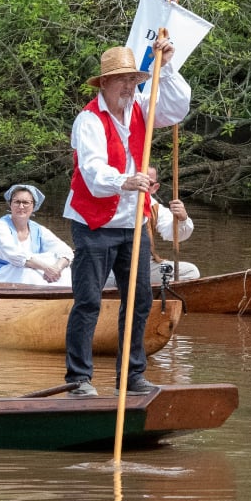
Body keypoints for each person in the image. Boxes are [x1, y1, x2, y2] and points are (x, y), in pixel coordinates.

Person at [62, 38, 191, 397]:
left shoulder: (141, 109)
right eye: (122, 80)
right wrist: (126, 180)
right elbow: (92, 173)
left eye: (134, 80)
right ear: (104, 83)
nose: (129, 87)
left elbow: (178, 108)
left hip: (133, 222)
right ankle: (78, 379)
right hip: (94, 222)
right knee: (88, 300)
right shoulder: (88, 119)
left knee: (139, 300)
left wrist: (166, 66)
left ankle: (131, 375)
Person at [0, 184, 74, 285]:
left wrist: (57, 268)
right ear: (10, 204)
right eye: (17, 202)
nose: (21, 206)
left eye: (25, 202)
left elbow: (66, 251)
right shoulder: (0, 226)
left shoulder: (38, 229)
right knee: (29, 272)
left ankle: (62, 295)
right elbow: (15, 255)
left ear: (33, 206)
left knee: (60, 265)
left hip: (25, 273)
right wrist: (46, 268)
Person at [146, 165, 200, 283]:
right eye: (140, 181)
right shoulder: (113, 199)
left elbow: (174, 235)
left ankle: (155, 294)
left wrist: (182, 219)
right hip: (112, 266)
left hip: (145, 265)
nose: (142, 187)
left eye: (148, 183)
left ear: (155, 188)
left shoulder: (155, 208)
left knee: (190, 272)